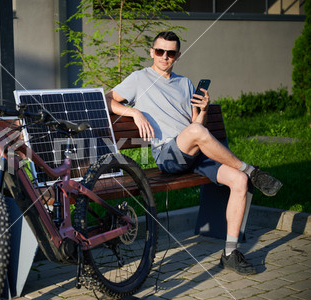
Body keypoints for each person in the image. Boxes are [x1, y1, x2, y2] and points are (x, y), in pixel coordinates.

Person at [105, 31, 282, 275]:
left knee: (239, 181)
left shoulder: (185, 83)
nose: (164, 57)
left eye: (170, 53)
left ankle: (230, 252)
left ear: (177, 56)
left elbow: (197, 123)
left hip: (195, 151)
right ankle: (251, 170)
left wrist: (204, 109)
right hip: (169, 155)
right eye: (160, 52)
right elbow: (107, 100)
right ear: (151, 52)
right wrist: (135, 113)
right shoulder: (139, 79)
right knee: (206, 140)